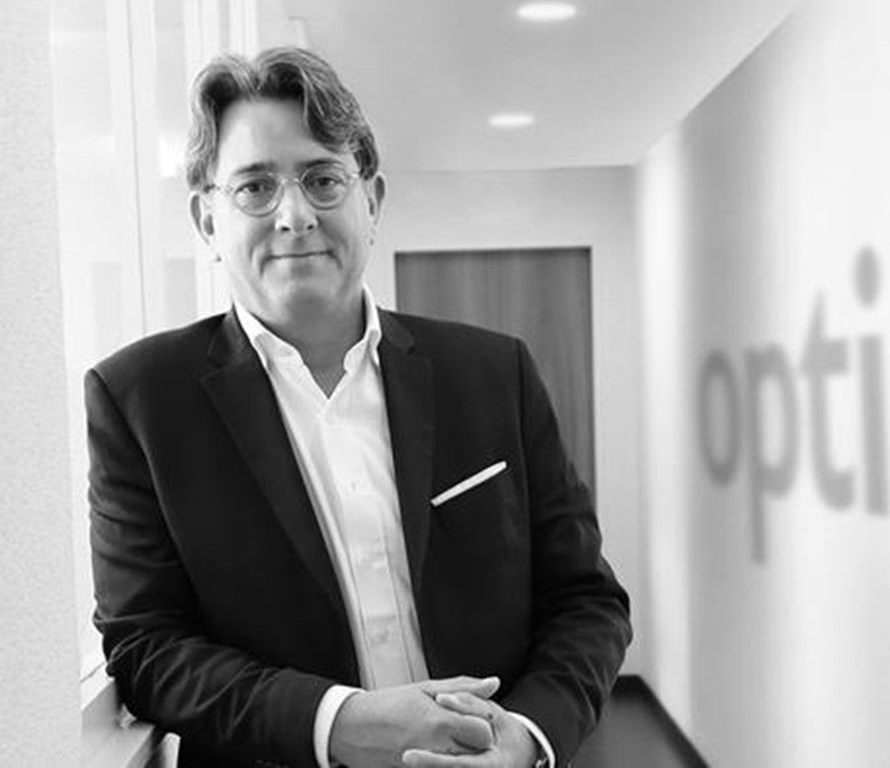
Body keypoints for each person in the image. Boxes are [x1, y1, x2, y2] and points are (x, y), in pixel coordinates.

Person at [87, 46, 631, 768]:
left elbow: (587, 600)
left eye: (322, 179)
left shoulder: (494, 373)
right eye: (254, 186)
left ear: (370, 201)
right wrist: (337, 722)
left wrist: (527, 737)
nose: (294, 216)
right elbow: (147, 645)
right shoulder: (140, 400)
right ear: (207, 221)